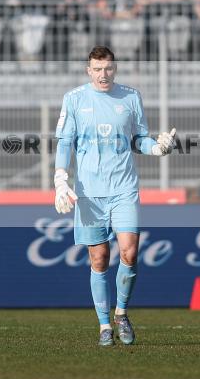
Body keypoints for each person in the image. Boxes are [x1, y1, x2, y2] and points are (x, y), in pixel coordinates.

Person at [53, 45, 177, 346]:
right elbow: (65, 143)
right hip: (89, 192)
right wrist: (60, 179)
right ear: (88, 70)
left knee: (129, 253)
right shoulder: (74, 99)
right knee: (99, 259)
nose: (103, 74)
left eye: (108, 68)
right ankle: (104, 325)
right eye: (97, 69)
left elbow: (139, 140)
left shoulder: (131, 97)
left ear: (115, 69)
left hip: (124, 188)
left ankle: (121, 313)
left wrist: (157, 148)